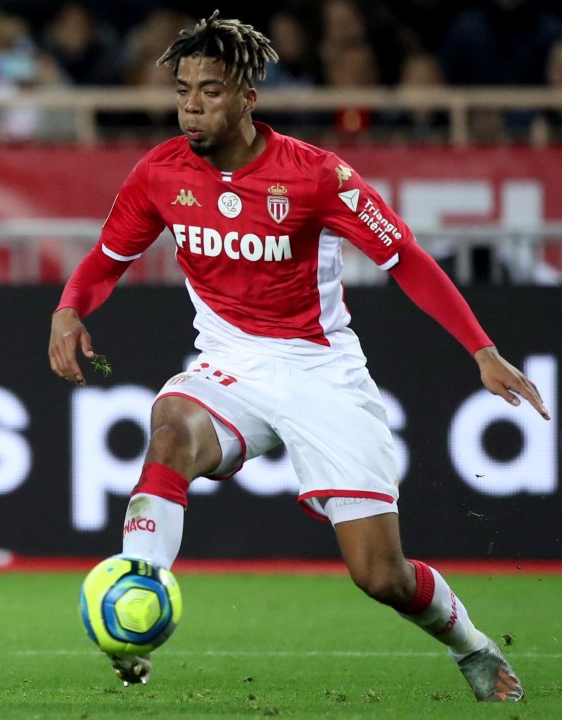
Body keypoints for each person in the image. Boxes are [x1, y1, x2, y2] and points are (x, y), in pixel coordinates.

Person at [48, 11, 549, 703]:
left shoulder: (316, 176)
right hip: (231, 361)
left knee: (381, 576)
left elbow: (406, 259)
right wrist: (70, 308)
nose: (193, 106)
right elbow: (108, 259)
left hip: (321, 373)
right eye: (184, 90)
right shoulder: (159, 173)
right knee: (168, 431)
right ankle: (136, 614)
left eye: (212, 91)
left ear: (249, 98)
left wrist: (482, 350)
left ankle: (471, 645)